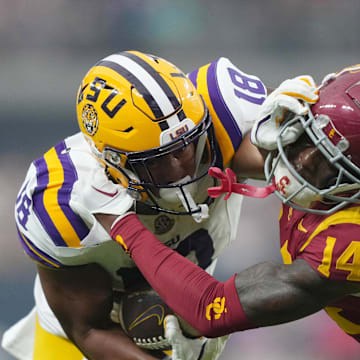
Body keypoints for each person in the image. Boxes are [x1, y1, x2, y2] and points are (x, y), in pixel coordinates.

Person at [1, 49, 284, 360]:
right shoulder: (65, 197)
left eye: (186, 146)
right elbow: (88, 329)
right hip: (82, 340)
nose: (181, 168)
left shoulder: (222, 106)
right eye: (159, 160)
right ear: (115, 162)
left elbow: (304, 142)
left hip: (187, 310)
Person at [93, 65, 360, 358]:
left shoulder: (349, 242)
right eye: (309, 139)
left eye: (330, 163)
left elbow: (210, 308)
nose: (303, 160)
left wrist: (119, 223)